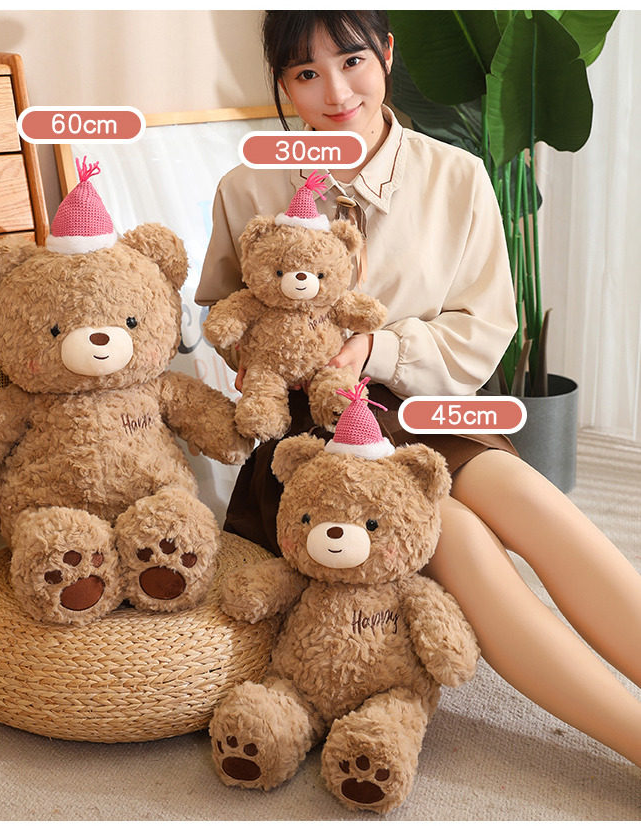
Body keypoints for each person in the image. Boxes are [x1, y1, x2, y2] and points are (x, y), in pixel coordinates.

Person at [195, 11, 641, 769]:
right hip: (314, 444)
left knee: (527, 496)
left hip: (422, 404)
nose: (336, 92)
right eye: (306, 74)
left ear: (387, 53)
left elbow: (484, 323)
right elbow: (222, 308)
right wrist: (253, 354)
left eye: (352, 61)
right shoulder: (247, 187)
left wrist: (379, 347)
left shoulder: (456, 177)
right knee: (456, 535)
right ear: (283, 84)